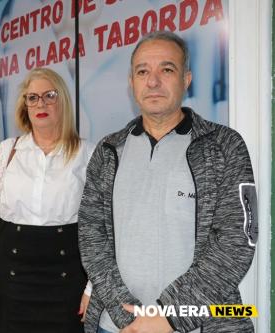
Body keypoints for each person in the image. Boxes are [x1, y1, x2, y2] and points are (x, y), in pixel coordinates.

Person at [78, 31, 257, 333]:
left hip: (200, 324)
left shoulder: (224, 145)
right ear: (131, 82)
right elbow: (91, 235)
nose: (153, 81)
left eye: (167, 69)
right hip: (115, 326)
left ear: (186, 79)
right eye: (143, 71)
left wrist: (168, 316)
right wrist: (131, 318)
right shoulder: (109, 151)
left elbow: (236, 241)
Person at [0, 68, 93, 333]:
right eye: (32, 97)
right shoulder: (7, 150)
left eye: (49, 95)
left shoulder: (88, 153)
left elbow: (101, 225)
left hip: (67, 277)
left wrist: (93, 286)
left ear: (64, 101)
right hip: (12, 276)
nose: (41, 104)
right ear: (24, 105)